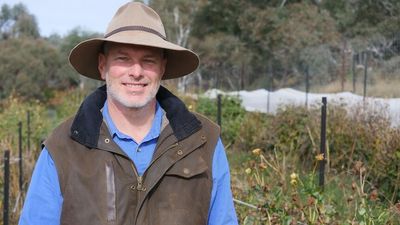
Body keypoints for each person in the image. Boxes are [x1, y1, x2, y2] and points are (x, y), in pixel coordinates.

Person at [18, 2, 238, 225]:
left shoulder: (203, 141)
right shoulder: (63, 146)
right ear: (103, 66)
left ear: (162, 68)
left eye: (148, 60)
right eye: (123, 59)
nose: (136, 72)